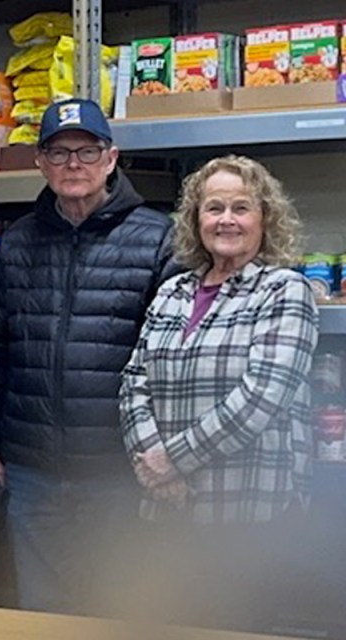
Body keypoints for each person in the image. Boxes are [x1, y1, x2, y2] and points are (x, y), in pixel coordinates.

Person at [0, 98, 180, 617]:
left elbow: (170, 360)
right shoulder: (16, 243)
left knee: (122, 610)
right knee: (43, 611)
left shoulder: (158, 238)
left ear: (111, 158)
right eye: (58, 153)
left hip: (119, 474)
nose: (73, 165)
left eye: (86, 151)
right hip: (34, 471)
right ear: (40, 162)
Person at [119, 155, 318, 633]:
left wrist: (173, 460)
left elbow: (262, 397)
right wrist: (151, 462)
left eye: (240, 207)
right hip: (168, 511)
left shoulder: (284, 290)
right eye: (213, 208)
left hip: (248, 517)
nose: (226, 219)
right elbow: (132, 381)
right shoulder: (173, 292)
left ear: (264, 219)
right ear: (195, 220)